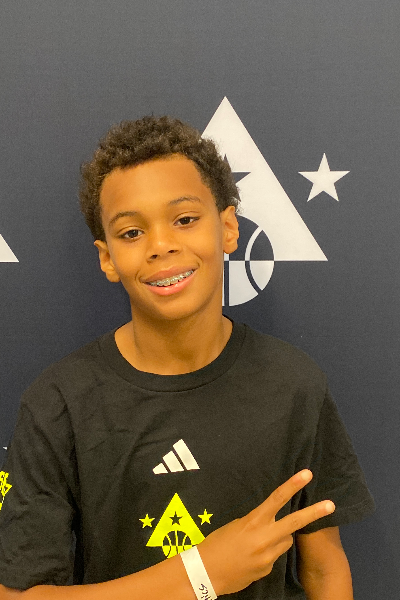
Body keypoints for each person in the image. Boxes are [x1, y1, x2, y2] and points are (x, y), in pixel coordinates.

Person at [0, 116, 375, 600]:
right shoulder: (59, 403)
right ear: (107, 258)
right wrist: (200, 574)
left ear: (228, 227)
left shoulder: (293, 384)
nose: (161, 246)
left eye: (184, 220)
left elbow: (324, 570)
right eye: (131, 233)